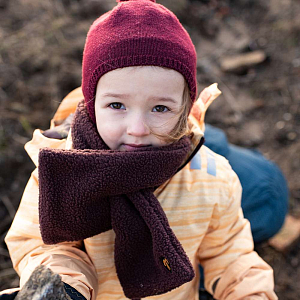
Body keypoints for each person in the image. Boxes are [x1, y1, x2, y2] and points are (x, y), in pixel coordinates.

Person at [1, 0, 278, 299]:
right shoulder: (62, 170)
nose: (138, 128)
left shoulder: (211, 176)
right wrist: (64, 287)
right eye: (117, 105)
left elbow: (232, 256)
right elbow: (40, 245)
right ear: (92, 104)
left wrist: (250, 292)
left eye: (160, 107)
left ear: (185, 109)